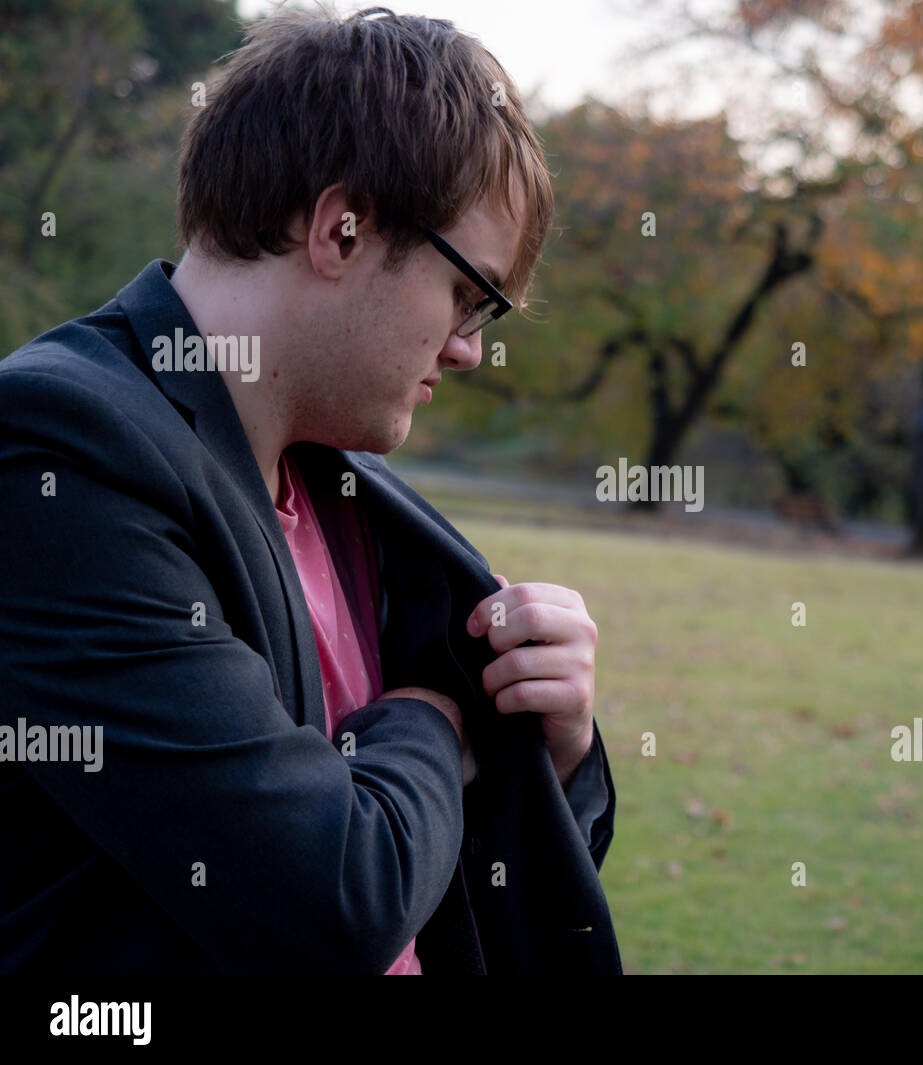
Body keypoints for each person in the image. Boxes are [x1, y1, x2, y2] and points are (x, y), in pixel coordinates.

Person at [0, 9, 619, 974]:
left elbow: (480, 872)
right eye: (469, 294)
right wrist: (433, 717)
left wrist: (557, 742)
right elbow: (335, 896)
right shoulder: (64, 449)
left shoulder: (339, 479)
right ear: (343, 226)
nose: (470, 347)